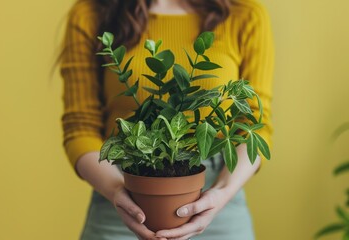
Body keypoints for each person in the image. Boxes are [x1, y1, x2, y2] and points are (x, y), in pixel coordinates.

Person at [60, 0, 274, 239]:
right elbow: (80, 127)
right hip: (122, 195)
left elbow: (255, 124)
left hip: (219, 196)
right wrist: (116, 192)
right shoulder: (92, 13)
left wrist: (221, 194)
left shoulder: (244, 14)